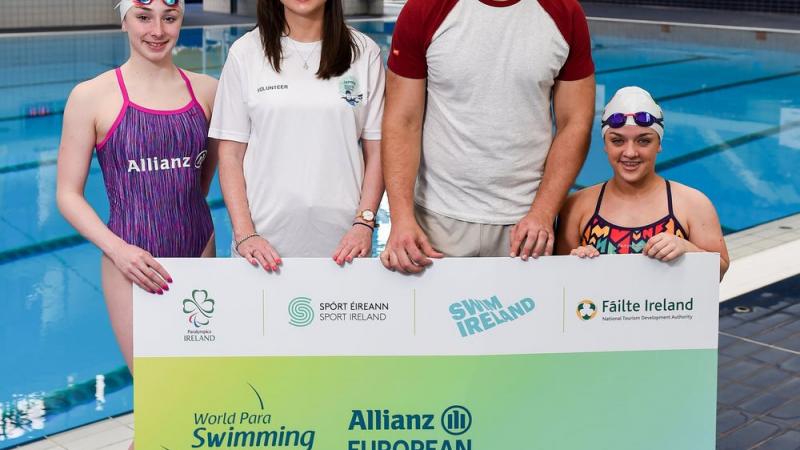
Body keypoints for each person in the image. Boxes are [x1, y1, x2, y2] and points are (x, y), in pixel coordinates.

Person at [56, 0, 218, 426]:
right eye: (144, 18)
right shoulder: (91, 96)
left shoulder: (207, 91)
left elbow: (200, 183)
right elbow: (67, 195)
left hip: (199, 249)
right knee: (159, 395)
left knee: (194, 392)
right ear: (124, 18)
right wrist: (119, 249)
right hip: (129, 262)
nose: (157, 31)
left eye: (170, 18)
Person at [380, 0, 596, 274]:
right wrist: (400, 219)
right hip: (438, 219)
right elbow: (402, 120)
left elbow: (575, 122)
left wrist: (543, 212)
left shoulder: (563, 11)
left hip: (526, 223)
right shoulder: (425, 7)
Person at [211, 0, 385, 269]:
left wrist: (364, 223)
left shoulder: (364, 53)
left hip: (346, 245)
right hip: (260, 247)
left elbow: (378, 152)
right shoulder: (245, 52)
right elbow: (230, 154)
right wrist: (245, 234)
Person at [556, 86, 730, 279]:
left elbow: (719, 272)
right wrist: (576, 262)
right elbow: (559, 284)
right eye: (618, 141)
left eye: (643, 141)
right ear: (605, 145)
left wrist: (688, 249)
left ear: (659, 144)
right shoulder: (577, 206)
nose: (630, 152)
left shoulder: (693, 204)